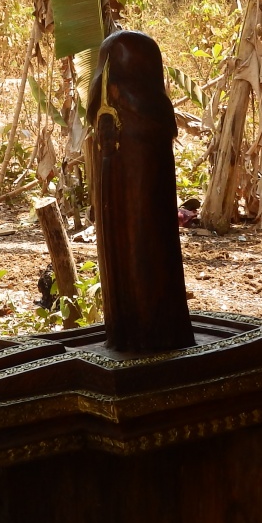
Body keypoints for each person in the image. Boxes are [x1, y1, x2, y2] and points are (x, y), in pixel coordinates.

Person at [86, 31, 195, 355]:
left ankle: (151, 330)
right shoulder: (115, 101)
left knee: (144, 250)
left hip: (143, 185)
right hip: (117, 181)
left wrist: (124, 101)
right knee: (123, 253)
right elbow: (98, 113)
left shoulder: (147, 107)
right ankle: (129, 330)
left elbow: (159, 124)